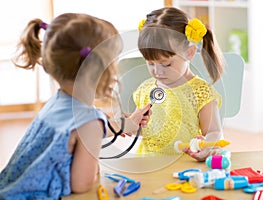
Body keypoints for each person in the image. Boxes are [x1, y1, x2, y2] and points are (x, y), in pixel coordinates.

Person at [0, 13, 150, 199]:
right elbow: (81, 184)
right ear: (98, 71)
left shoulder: (57, 103)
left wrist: (127, 124)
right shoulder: (89, 124)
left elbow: (88, 125)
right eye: (113, 64)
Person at [134, 7, 225, 161]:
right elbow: (138, 127)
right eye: (150, 63)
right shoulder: (146, 89)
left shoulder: (200, 92)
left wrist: (206, 148)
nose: (157, 72)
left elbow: (214, 132)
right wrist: (128, 123)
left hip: (185, 166)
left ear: (189, 53)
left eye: (166, 64)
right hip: (147, 165)